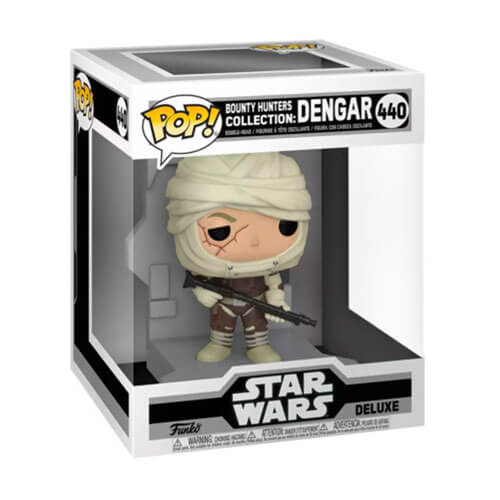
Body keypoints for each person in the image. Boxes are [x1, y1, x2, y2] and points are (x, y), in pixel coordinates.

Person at [166, 153, 311, 363]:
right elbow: (199, 279)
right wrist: (201, 290)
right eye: (220, 231)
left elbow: (273, 281)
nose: (254, 242)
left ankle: (258, 346)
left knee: (257, 327)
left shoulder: (268, 267)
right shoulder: (212, 263)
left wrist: (276, 299)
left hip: (256, 300)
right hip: (224, 301)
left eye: (285, 226)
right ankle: (219, 344)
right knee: (221, 325)